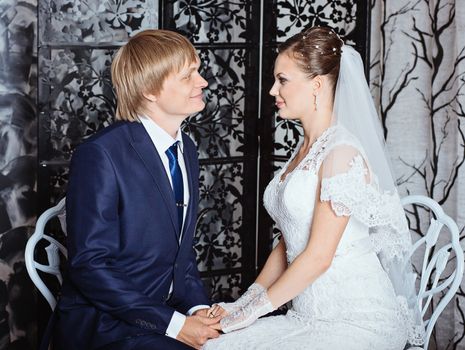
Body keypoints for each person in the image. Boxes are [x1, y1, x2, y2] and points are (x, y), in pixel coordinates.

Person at [203, 26, 424, 349]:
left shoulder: (341, 152)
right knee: (215, 345)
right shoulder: (306, 148)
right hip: (305, 315)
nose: (272, 91)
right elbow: (290, 240)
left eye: (283, 80)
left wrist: (251, 314)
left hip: (356, 319)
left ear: (317, 85)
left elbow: (319, 256)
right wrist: (247, 301)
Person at [53, 29, 221, 350]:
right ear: (149, 91)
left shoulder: (186, 148)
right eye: (188, 76)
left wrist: (199, 310)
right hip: (108, 324)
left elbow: (180, 255)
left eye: (198, 71)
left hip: (167, 315)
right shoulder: (101, 154)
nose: (203, 82)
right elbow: (90, 265)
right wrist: (175, 325)